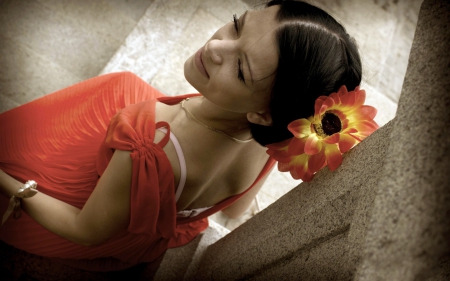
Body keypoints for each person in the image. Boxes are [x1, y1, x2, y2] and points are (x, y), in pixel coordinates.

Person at [0, 0, 361, 271]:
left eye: (239, 69)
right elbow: (235, 209)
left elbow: (85, 230)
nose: (217, 47)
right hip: (138, 229)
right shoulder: (278, 138)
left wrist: (7, 182)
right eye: (237, 25)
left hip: (78, 214)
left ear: (263, 112)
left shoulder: (149, 142)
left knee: (121, 87)